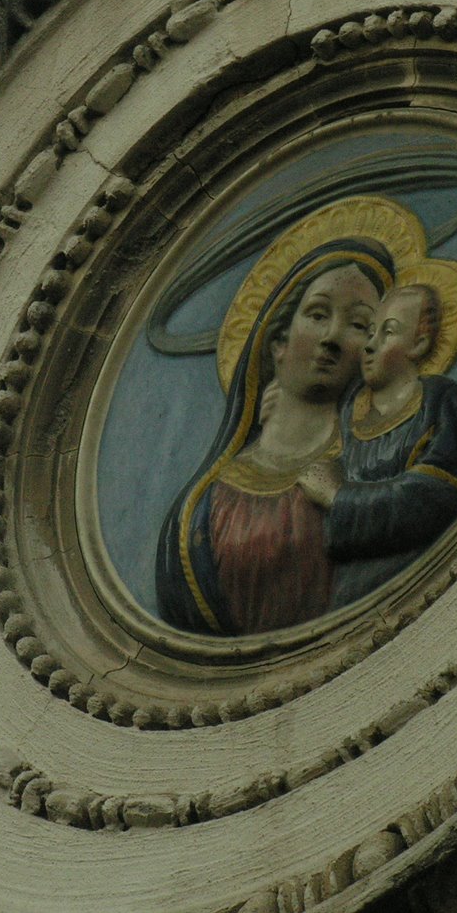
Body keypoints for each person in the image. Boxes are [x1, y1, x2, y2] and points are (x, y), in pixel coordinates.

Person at [155, 236, 394, 635]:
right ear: (279, 342)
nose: (332, 337)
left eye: (358, 325)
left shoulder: (373, 469)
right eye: (317, 314)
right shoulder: (196, 512)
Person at [298, 283, 457, 608]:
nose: (370, 345)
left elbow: (436, 494)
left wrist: (339, 498)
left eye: (389, 332)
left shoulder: (437, 401)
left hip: (418, 581)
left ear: (419, 344)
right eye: (371, 333)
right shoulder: (348, 410)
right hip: (348, 590)